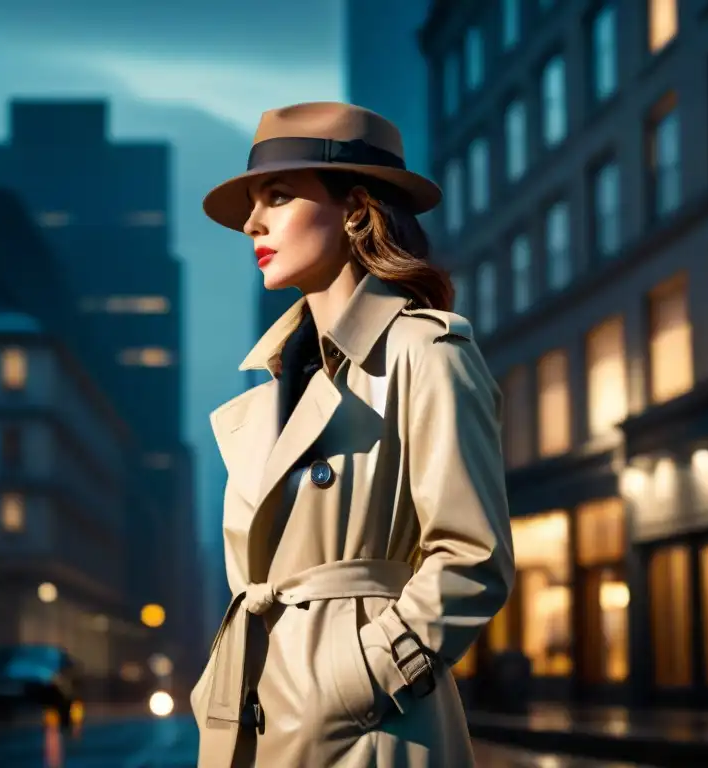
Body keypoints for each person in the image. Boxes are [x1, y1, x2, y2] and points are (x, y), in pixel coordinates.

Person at [190, 102, 515, 768]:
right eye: (255, 202)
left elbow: (472, 558)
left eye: (278, 197)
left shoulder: (427, 353)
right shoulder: (278, 383)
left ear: (356, 208)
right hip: (261, 709)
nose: (253, 223)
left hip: (370, 726)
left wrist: (356, 677)